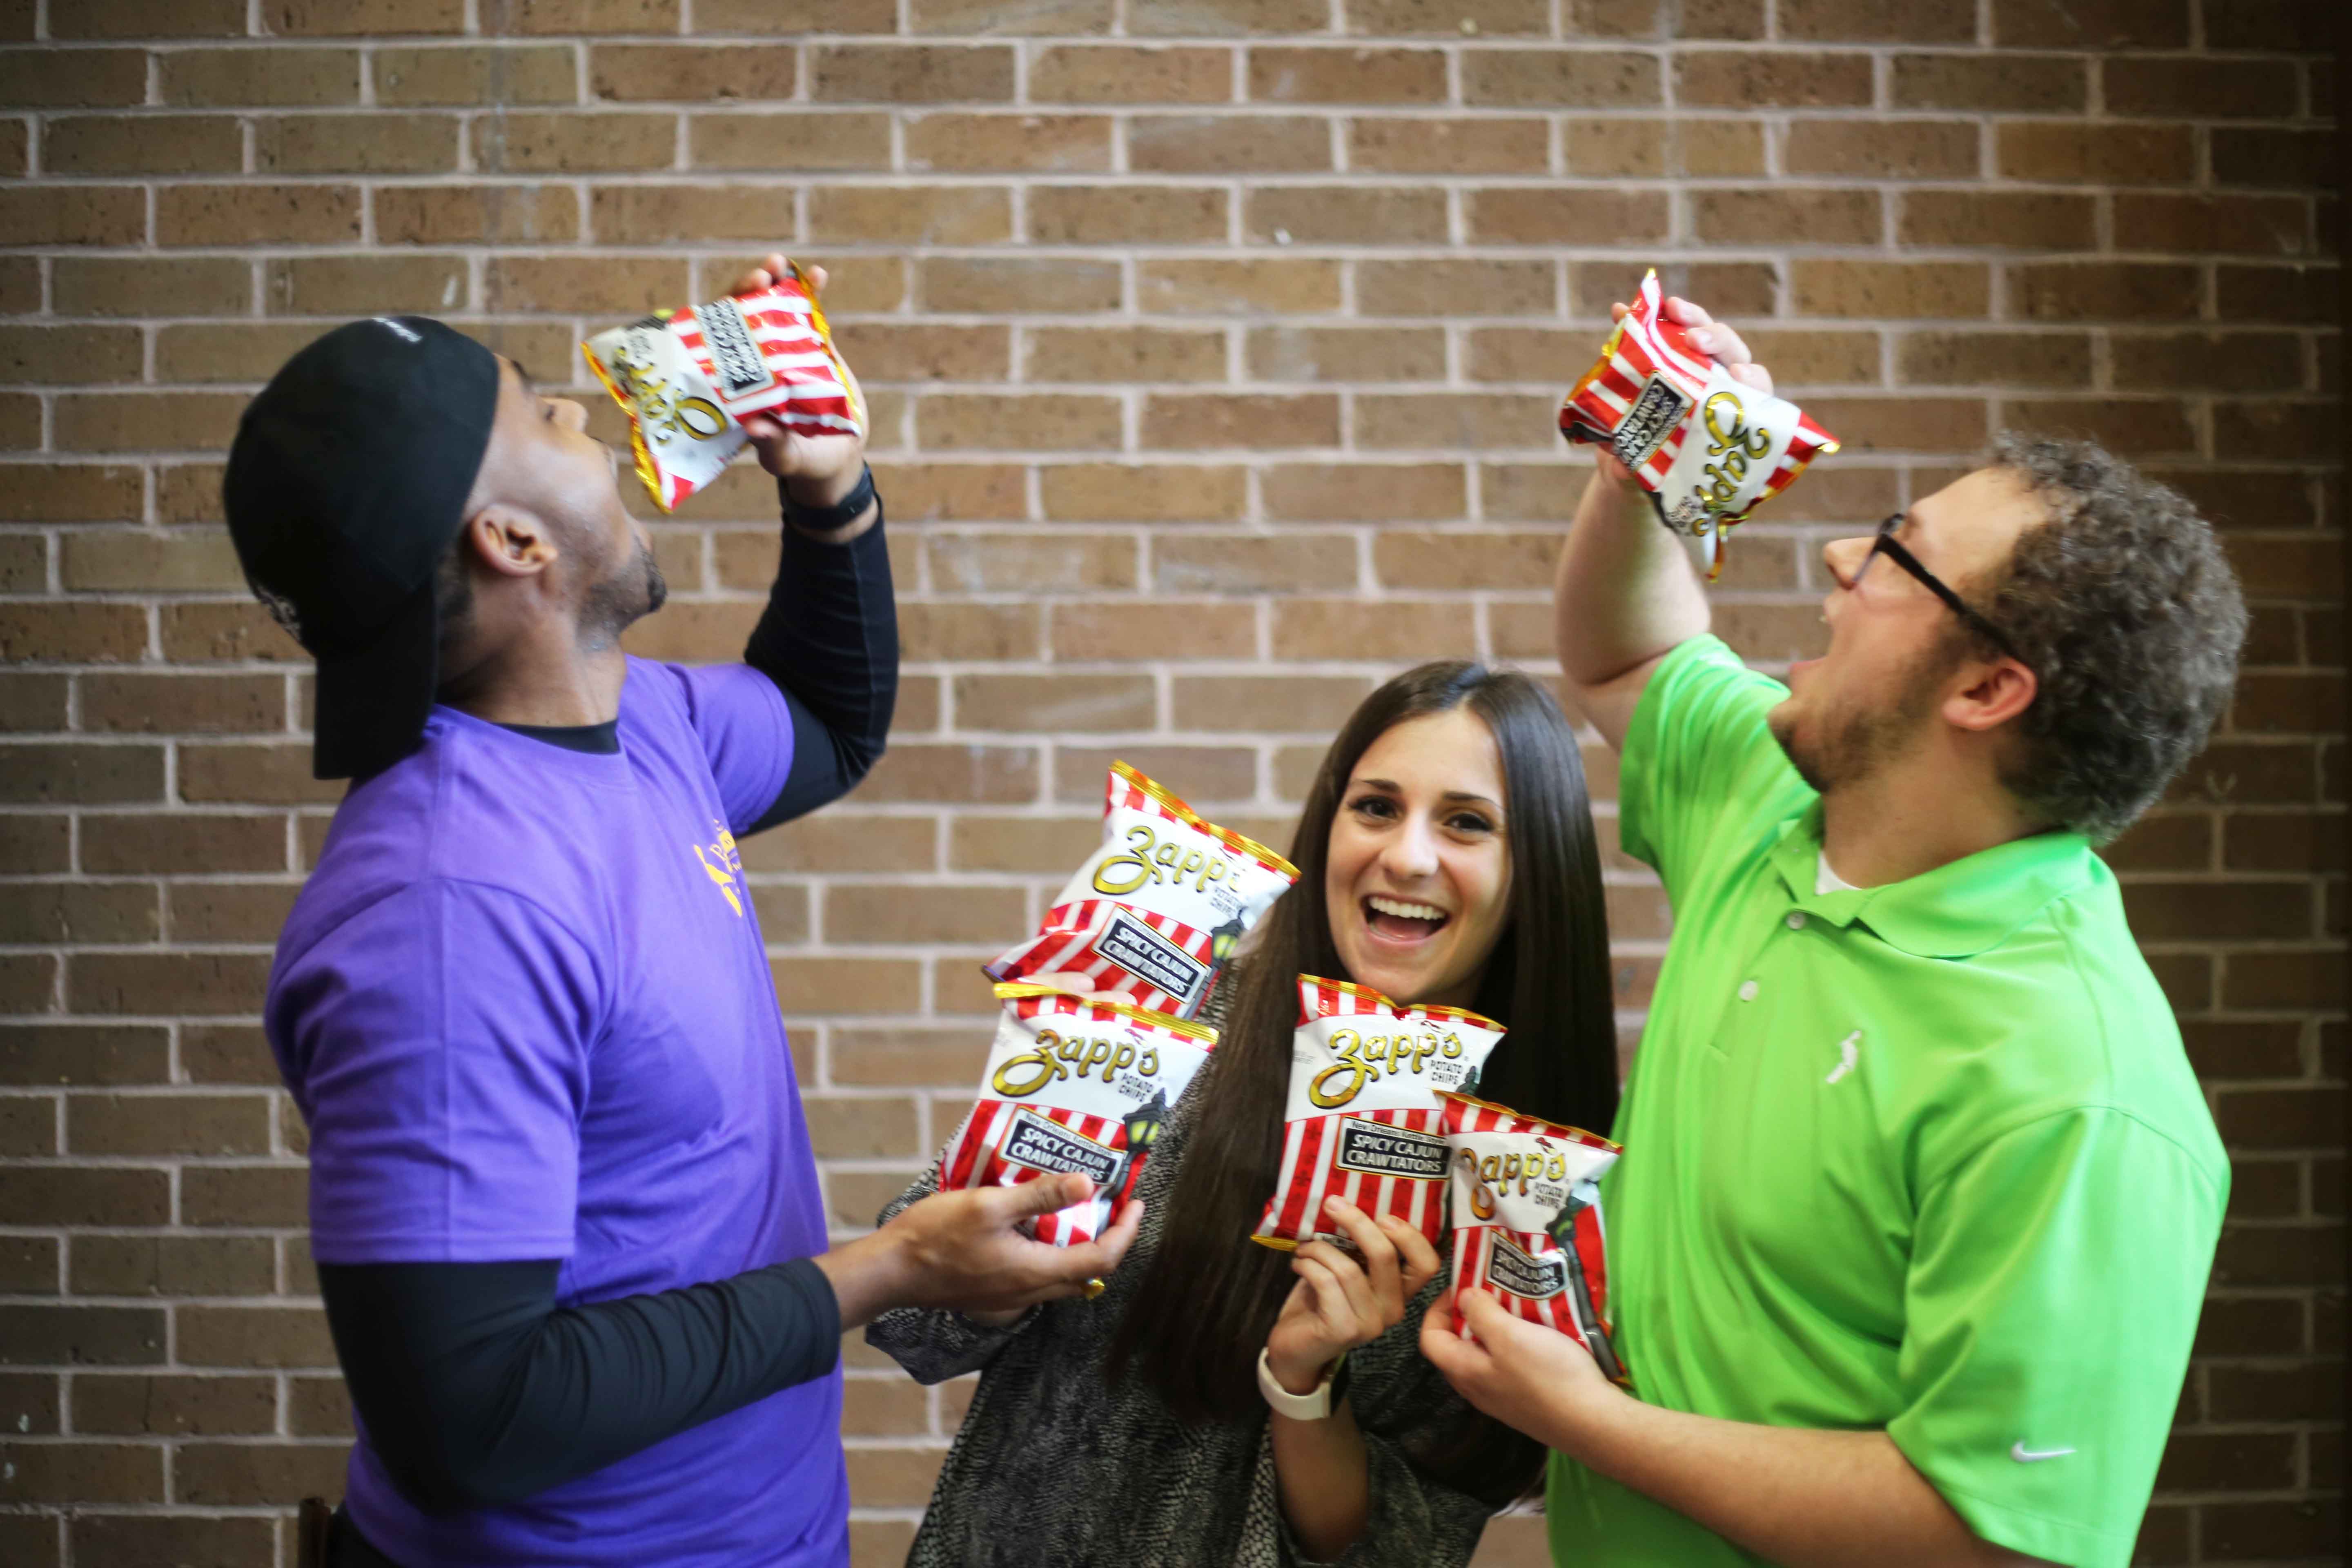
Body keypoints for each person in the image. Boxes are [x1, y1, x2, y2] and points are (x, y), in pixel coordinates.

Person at [235, 257, 1139, 1568]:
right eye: (545, 414)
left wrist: (825, 486)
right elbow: (472, 1421)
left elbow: (828, 722)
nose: (587, 422)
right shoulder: (447, 918)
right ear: (514, 541)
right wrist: (889, 1270)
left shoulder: (635, 725)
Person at [1421, 294, 2247, 1568]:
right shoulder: (1785, 796)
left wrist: (1588, 1421)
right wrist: (1651, 466)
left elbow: (1987, 1540)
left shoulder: (2079, 1092)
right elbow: (1626, 653)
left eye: (1893, 556)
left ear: (1986, 688)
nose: (1834, 563)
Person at [866, 662, 1623, 1567]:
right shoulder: (1178, 1024)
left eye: (1467, 822)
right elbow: (915, 1321)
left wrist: (1303, 1381)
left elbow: (1397, 1544)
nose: (1408, 856)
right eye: (1376, 807)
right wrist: (1013, 1210)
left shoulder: (1531, 1179)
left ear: (1534, 865)